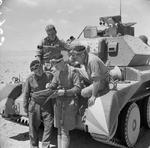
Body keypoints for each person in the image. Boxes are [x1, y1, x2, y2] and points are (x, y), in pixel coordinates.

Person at [47, 54, 81, 148]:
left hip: (69, 103)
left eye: (56, 65)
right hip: (59, 103)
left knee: (64, 130)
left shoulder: (73, 72)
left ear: (62, 62)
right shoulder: (57, 72)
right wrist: (49, 86)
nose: (55, 67)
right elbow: (54, 84)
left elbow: (78, 88)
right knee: (59, 129)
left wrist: (65, 92)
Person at [23, 60, 54, 148]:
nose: (39, 72)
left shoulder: (49, 75)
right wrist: (25, 107)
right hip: (34, 105)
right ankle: (34, 146)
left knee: (48, 125)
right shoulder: (30, 79)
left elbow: (55, 86)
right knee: (33, 127)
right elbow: (26, 94)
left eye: (40, 69)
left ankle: (45, 145)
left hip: (46, 104)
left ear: (42, 67)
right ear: (33, 71)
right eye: (36, 71)